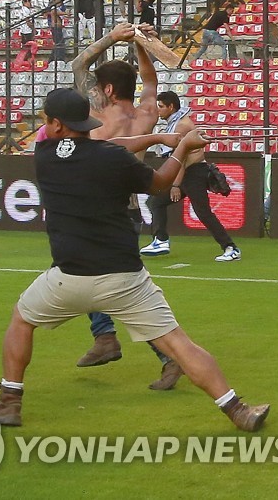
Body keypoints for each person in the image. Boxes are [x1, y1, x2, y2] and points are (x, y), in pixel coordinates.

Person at [0, 88, 270, 434]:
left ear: (54, 124)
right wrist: (182, 147)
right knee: (177, 343)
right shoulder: (112, 159)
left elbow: (103, 149)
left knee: (21, 320)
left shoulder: (44, 153)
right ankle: (238, 411)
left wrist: (157, 136)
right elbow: (158, 184)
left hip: (68, 278)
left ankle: (9, 403)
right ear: (86, 122)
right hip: (124, 279)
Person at [71, 22, 181, 384]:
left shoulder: (97, 108)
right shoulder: (146, 113)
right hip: (128, 208)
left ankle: (152, 350)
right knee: (89, 275)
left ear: (105, 89)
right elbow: (150, 81)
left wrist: (115, 37)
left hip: (93, 204)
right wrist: (141, 44)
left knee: (106, 282)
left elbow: (78, 65)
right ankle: (107, 336)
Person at [142, 91, 241, 267]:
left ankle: (231, 248)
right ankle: (161, 240)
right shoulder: (177, 123)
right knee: (156, 202)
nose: (158, 111)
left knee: (203, 212)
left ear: (171, 107)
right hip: (188, 172)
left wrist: (175, 185)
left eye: (161, 107)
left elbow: (181, 159)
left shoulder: (181, 126)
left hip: (193, 173)